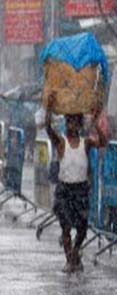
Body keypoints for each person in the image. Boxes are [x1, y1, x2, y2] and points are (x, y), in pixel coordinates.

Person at [45, 93, 108, 271]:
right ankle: (69, 260)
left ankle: (75, 252)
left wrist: (96, 122)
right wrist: (49, 109)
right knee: (65, 227)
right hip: (65, 190)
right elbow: (49, 128)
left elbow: (103, 142)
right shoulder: (61, 143)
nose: (71, 125)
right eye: (68, 122)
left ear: (80, 125)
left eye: (74, 122)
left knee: (82, 228)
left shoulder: (86, 143)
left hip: (80, 190)